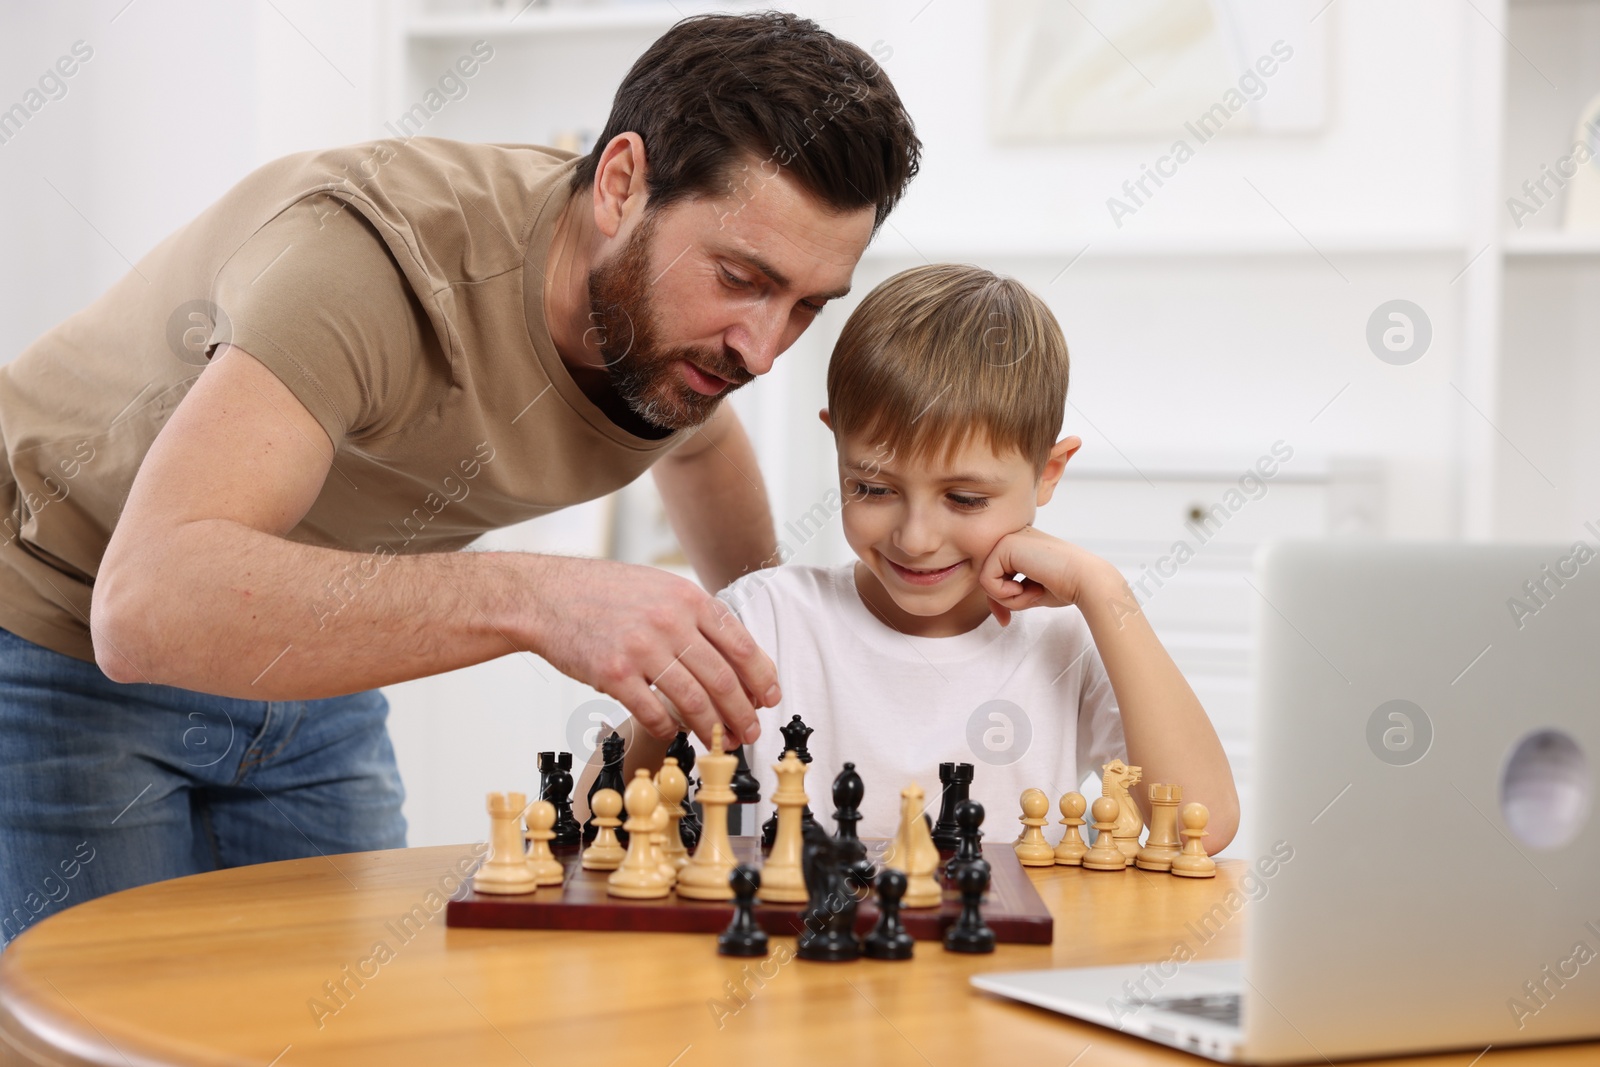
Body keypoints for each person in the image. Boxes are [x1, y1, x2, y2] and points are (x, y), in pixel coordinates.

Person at [0, 12, 921, 944]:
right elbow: (145, 605)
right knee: (98, 1029)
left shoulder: (677, 343)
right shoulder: (365, 265)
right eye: (739, 277)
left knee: (344, 1030)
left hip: (305, 656)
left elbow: (700, 444)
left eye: (806, 304)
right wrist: (538, 597)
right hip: (55, 619)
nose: (762, 351)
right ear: (620, 185)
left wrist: (757, 657)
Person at [589, 264, 1239, 848]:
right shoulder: (768, 617)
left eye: (963, 497)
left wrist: (1106, 589)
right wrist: (660, 716)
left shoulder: (1070, 636)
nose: (916, 536)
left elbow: (1200, 825)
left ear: (1049, 472)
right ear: (836, 447)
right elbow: (590, 815)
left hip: (1000, 975)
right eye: (873, 488)